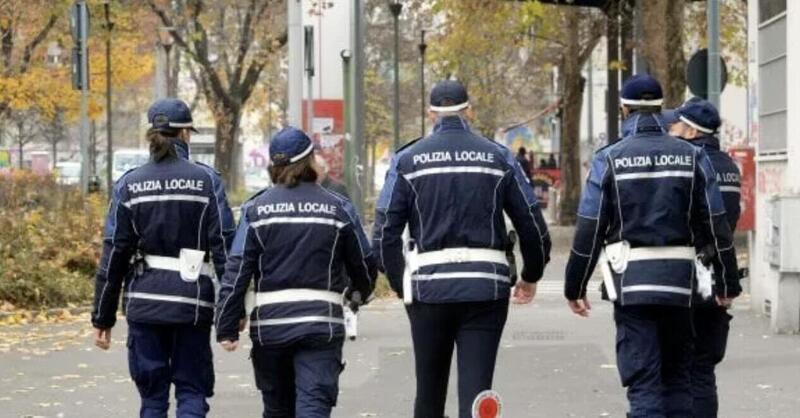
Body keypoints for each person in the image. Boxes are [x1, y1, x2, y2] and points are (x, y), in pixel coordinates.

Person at [564, 75, 740, 418]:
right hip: (680, 284)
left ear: (624, 108)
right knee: (677, 379)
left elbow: (590, 228)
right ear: (661, 108)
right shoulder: (692, 157)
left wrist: (575, 285)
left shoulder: (609, 159)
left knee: (644, 383)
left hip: (632, 287)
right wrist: (727, 281)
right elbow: (716, 225)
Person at [373, 79, 551, 418]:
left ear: (431, 114)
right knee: (476, 390)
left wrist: (401, 284)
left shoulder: (407, 160)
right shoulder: (498, 157)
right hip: (486, 288)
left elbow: (383, 235)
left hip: (428, 289)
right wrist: (531, 274)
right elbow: (532, 225)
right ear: (469, 110)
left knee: (428, 390)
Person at [215, 127, 376, 418]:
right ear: (311, 161)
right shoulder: (338, 207)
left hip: (270, 328)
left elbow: (237, 269)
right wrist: (361, 292)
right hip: (320, 325)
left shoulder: (256, 209)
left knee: (277, 409)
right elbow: (363, 262)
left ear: (273, 166)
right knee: (313, 406)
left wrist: (227, 323)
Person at [91, 98, 235, 418]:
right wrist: (232, 309)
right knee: (191, 391)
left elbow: (114, 251)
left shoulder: (129, 184)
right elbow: (225, 248)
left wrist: (103, 317)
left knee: (153, 399)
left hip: (145, 301)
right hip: (192, 301)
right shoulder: (207, 181)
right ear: (185, 135)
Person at [667, 98, 741, 418]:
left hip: (687, 273)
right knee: (704, 370)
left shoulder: (689, 162)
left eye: (676, 124)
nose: (671, 129)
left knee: (678, 369)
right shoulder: (729, 166)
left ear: (691, 130)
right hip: (718, 272)